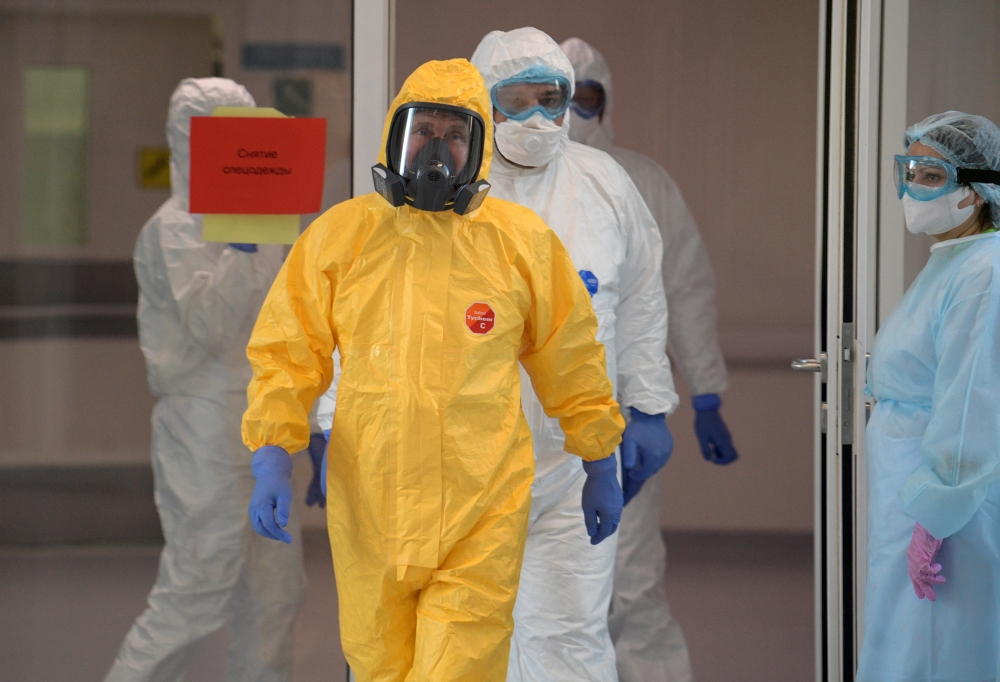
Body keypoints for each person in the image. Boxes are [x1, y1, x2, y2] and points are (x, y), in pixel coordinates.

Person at [241, 58, 626, 682]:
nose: (437, 149)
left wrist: (600, 456)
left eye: (455, 134)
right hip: (370, 510)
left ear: (479, 147)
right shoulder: (342, 237)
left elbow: (571, 354)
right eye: (423, 130)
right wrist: (272, 452)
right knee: (376, 668)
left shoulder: (520, 244)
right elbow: (287, 351)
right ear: (397, 133)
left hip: (480, 510)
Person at [468, 28, 679, 682]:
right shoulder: (456, 189)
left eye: (551, 99)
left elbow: (641, 297)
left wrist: (649, 406)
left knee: (572, 634)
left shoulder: (604, 182)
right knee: (473, 635)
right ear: (482, 100)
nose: (536, 117)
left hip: (579, 457)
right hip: (470, 457)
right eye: (516, 100)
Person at [104, 78, 303, 682]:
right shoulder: (172, 229)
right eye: (215, 135)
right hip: (201, 427)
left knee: (274, 599)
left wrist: (312, 420)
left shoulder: (269, 224)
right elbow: (208, 328)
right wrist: (239, 253)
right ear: (186, 140)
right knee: (196, 591)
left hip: (263, 428)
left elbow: (290, 327)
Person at [561, 36, 739, 682]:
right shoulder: (507, 186)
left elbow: (683, 287)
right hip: (525, 423)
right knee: (537, 592)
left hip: (618, 417)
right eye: (558, 96)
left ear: (607, 103)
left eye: (586, 97)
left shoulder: (642, 181)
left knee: (629, 582)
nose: (572, 112)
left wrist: (705, 393)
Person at [857, 111, 1000, 681]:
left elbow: (971, 406)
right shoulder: (954, 261)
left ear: (978, 190)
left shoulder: (984, 273)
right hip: (912, 493)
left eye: (933, 175)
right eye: (910, 171)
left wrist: (936, 516)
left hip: (946, 508)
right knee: (904, 643)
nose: (914, 187)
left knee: (936, 651)